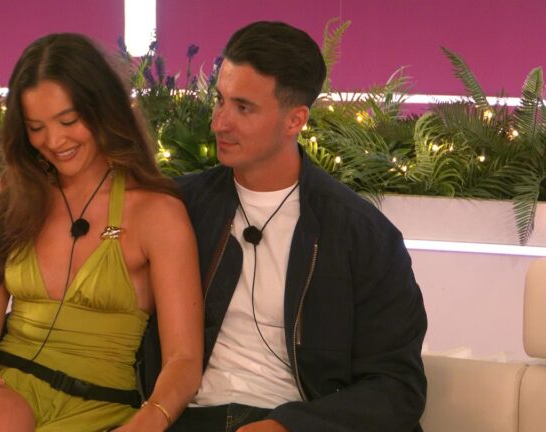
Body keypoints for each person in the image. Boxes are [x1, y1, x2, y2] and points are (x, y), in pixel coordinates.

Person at [141, 21, 428, 431]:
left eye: (243, 108)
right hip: (188, 417)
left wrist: (289, 426)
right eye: (220, 100)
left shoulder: (362, 235)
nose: (219, 123)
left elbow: (398, 387)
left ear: (295, 120)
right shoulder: (177, 208)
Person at [0, 33, 203, 432]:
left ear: (103, 108)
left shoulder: (158, 213)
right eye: (36, 128)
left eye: (69, 121)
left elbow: (184, 359)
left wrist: (150, 420)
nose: (54, 142)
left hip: (98, 408)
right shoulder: (14, 193)